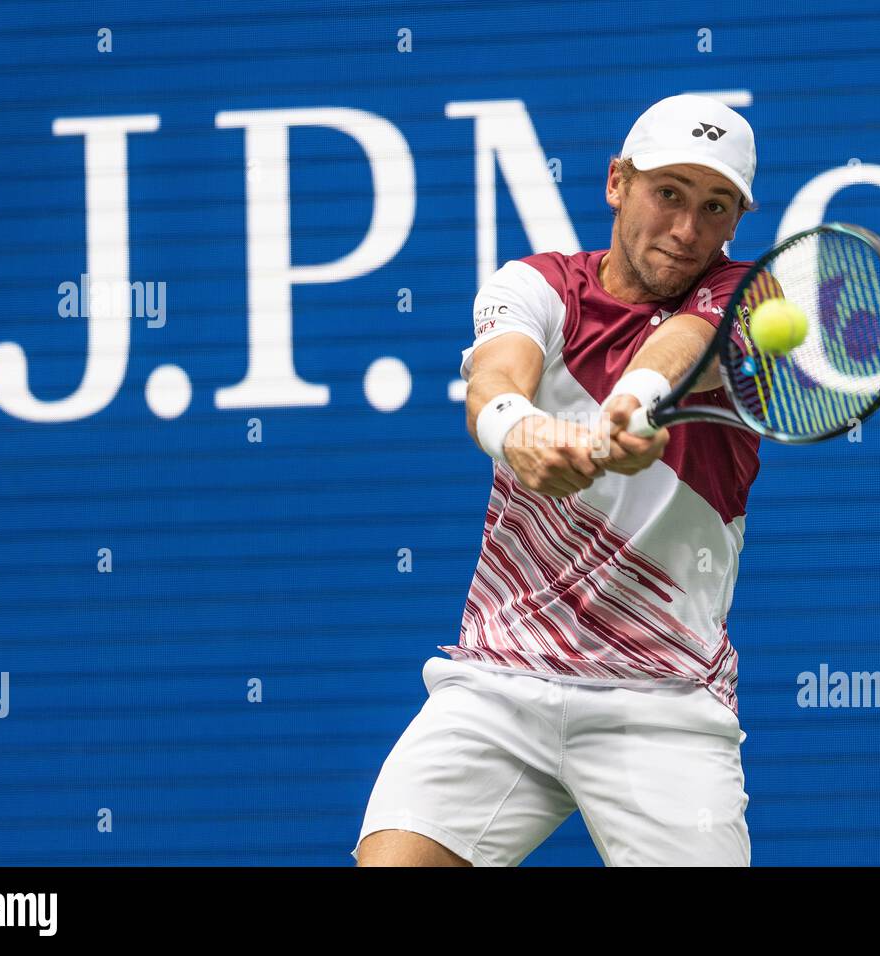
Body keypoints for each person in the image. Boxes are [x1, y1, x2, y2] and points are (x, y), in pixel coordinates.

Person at [353, 94, 762, 866]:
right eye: (666, 193)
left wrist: (634, 406)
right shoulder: (537, 284)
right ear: (617, 182)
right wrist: (518, 430)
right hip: (499, 682)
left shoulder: (747, 295)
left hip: (664, 698)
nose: (685, 230)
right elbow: (498, 374)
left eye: (714, 207)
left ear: (737, 219)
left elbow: (686, 342)